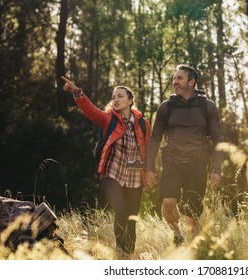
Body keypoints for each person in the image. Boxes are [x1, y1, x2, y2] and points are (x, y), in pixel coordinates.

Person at [61, 76, 151, 256]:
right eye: (113, 97)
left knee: (132, 217)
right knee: (121, 208)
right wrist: (78, 92)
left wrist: (150, 171)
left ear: (130, 100)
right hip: (112, 172)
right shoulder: (109, 119)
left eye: (120, 96)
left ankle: (128, 254)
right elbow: (92, 111)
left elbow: (147, 149)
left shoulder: (143, 123)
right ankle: (121, 250)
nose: (115, 99)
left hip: (134, 176)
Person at [145, 64, 224, 245]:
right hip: (173, 161)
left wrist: (216, 169)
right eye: (174, 78)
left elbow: (218, 139)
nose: (175, 82)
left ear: (192, 82)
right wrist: (149, 168)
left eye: (179, 78)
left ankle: (192, 250)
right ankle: (177, 233)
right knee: (168, 202)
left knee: (192, 212)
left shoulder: (207, 106)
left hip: (197, 163)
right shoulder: (166, 107)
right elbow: (155, 138)